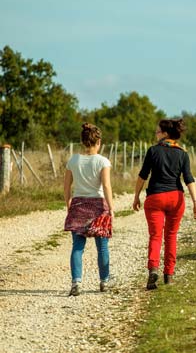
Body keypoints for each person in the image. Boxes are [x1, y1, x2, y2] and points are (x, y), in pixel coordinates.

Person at [133, 119, 196, 290]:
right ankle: (168, 275)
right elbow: (189, 178)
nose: (155, 135)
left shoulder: (153, 151)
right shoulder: (182, 153)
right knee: (171, 236)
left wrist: (136, 196)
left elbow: (143, 175)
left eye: (157, 132)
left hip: (155, 197)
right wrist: (195, 202)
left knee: (155, 236)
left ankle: (153, 269)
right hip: (176, 198)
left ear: (164, 134)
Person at [64, 123, 114, 296]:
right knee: (102, 247)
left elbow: (66, 187)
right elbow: (106, 186)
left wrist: (68, 205)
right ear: (98, 141)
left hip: (78, 204)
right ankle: (104, 281)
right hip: (99, 205)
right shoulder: (103, 161)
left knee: (77, 247)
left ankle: (76, 283)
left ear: (83, 141)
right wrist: (111, 208)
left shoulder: (73, 160)